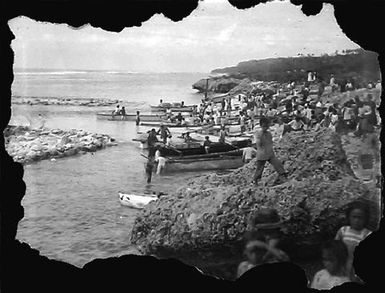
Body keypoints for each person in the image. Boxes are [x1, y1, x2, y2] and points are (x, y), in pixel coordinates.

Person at [335, 201, 372, 281]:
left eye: (360, 217)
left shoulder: (367, 234)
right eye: (354, 217)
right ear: (349, 217)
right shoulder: (343, 231)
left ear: (366, 219)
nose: (356, 220)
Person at [253, 117, 287, 186]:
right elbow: (258, 143)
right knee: (259, 169)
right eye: (264, 126)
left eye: (267, 126)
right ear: (261, 125)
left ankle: (282, 175)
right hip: (262, 153)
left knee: (277, 164)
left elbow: (270, 142)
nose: (266, 127)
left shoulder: (268, 134)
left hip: (270, 153)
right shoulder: (259, 133)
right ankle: (255, 181)